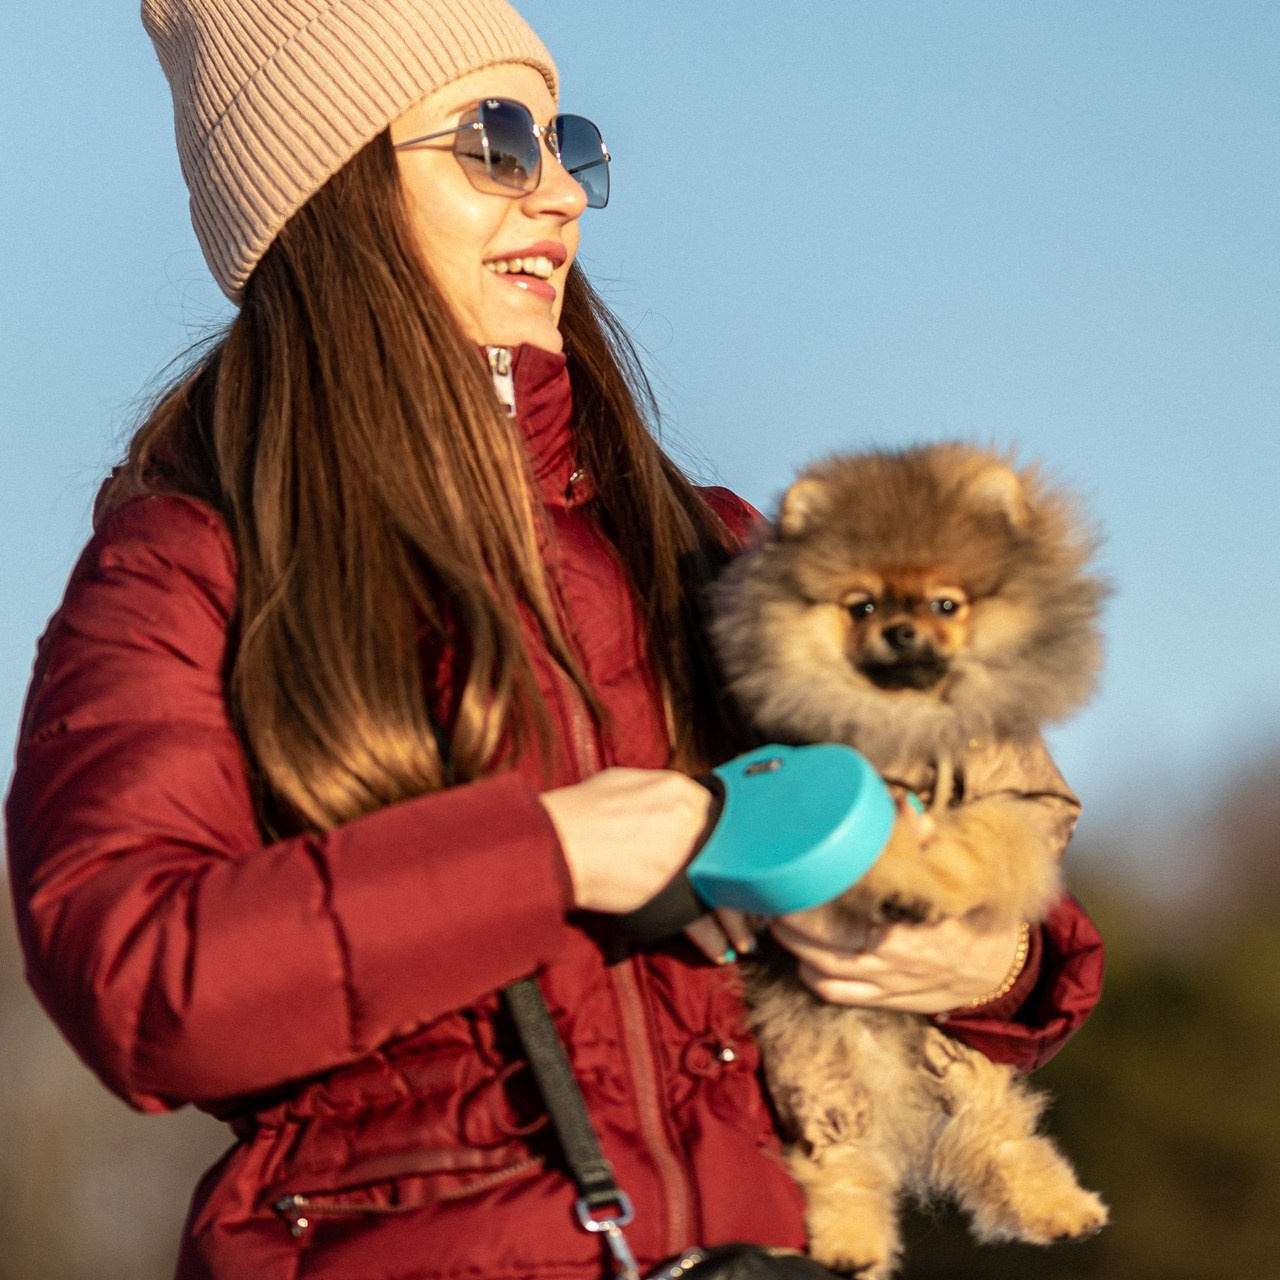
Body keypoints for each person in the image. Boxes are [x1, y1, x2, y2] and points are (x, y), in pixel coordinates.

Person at [4, 2, 1104, 1277]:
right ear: (330, 190)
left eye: (564, 141)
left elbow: (979, 827)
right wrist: (550, 853)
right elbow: (135, 977)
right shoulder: (189, 557)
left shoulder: (713, 545)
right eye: (495, 140)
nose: (562, 192)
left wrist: (984, 954)